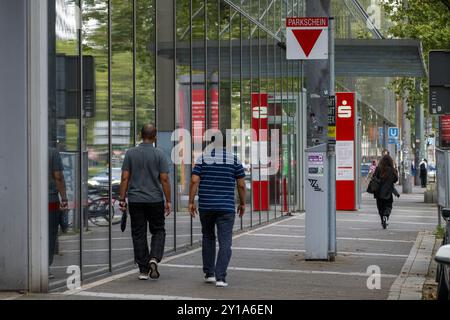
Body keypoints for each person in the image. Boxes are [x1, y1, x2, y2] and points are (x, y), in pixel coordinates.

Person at [188, 131, 246, 288]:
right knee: (225, 241)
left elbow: (194, 181)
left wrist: (191, 202)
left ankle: (209, 274)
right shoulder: (233, 160)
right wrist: (243, 203)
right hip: (226, 208)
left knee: (208, 237)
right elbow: (241, 184)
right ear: (226, 145)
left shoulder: (203, 159)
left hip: (206, 206)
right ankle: (220, 277)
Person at [119, 124, 172, 280]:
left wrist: (122, 199)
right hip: (155, 200)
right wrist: (168, 200)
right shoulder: (159, 154)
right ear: (155, 137)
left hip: (135, 200)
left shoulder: (130, 153)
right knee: (158, 230)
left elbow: (124, 178)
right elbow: (164, 179)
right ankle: (154, 258)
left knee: (138, 233)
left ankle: (143, 270)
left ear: (140, 135)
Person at [48, 147, 68, 279]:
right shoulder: (52, 152)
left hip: (27, 200)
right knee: (50, 234)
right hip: (50, 199)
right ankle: (45, 266)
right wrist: (64, 198)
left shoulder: (23, 150)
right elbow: (58, 177)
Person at [374, 155, 399, 229]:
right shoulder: (391, 170)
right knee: (388, 206)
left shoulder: (378, 169)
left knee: (380, 208)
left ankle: (383, 221)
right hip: (388, 192)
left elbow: (374, 177)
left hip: (378, 192)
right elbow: (395, 179)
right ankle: (386, 216)